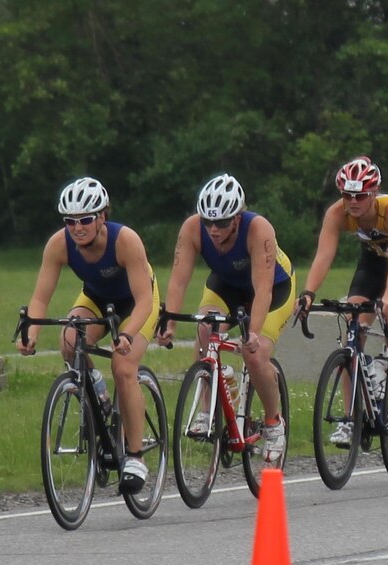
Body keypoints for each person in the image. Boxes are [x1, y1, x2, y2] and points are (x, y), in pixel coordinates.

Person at [17, 176, 160, 494]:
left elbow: (145, 301)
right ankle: (97, 391)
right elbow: (41, 298)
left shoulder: (126, 241)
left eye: (84, 220)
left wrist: (127, 334)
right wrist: (32, 333)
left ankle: (135, 456)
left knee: (123, 368)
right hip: (97, 298)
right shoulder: (59, 244)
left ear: (102, 216)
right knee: (69, 342)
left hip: (137, 302)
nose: (77, 227)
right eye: (70, 221)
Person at [156, 173, 295, 464]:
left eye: (221, 223)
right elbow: (179, 280)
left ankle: (274, 422)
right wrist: (168, 321)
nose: (213, 229)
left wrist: (252, 334)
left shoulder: (258, 229)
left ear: (237, 217)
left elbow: (263, 289)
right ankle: (209, 410)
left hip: (272, 289)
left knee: (254, 354)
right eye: (208, 221)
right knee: (205, 328)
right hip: (226, 285)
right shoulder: (192, 229)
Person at [294, 156, 388, 443]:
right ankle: (350, 418)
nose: (353, 202)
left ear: (374, 193)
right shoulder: (337, 213)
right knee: (351, 333)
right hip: (371, 265)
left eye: (360, 195)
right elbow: (324, 255)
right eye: (347, 195)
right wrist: (308, 294)